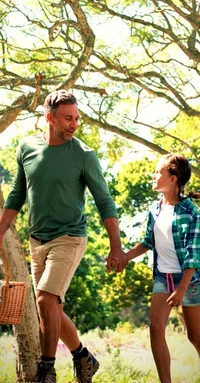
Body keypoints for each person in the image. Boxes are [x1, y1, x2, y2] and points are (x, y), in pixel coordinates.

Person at [0, 90, 126, 383]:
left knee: (44, 300)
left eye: (77, 118)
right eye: (68, 118)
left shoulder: (84, 155)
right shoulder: (26, 149)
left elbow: (105, 202)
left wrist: (116, 247)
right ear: (49, 118)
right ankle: (83, 357)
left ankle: (47, 370)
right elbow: (17, 195)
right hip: (37, 241)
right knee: (51, 306)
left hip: (69, 237)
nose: (74, 124)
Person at [124, 153, 200, 383]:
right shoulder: (154, 209)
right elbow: (148, 242)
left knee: (195, 336)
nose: (154, 175)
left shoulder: (191, 213)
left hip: (189, 281)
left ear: (173, 179)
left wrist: (182, 289)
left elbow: (193, 256)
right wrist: (125, 256)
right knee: (156, 327)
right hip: (162, 277)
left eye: (158, 172)